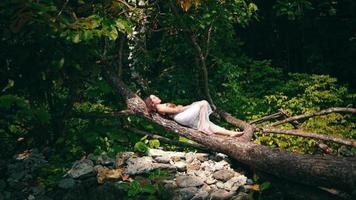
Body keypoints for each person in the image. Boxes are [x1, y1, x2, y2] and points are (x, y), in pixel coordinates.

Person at [144, 95, 243, 137]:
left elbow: (177, 109)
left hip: (182, 115)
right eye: (154, 98)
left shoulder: (161, 106)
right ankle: (203, 128)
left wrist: (188, 106)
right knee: (203, 103)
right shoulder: (160, 108)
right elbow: (177, 110)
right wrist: (191, 105)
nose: (157, 97)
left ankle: (230, 133)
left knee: (209, 123)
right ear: (152, 103)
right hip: (181, 117)